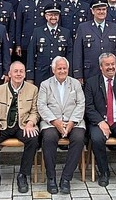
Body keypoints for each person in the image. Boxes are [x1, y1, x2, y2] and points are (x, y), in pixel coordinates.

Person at [0, 62, 41, 194]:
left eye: (21, 71)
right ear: (9, 74)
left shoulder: (33, 89)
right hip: (3, 125)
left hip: (23, 125)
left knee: (33, 139)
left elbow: (35, 111)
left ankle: (23, 175)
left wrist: (30, 123)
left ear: (25, 74)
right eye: (15, 71)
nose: (18, 74)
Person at [84, 52, 116, 191]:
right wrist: (100, 122)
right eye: (107, 65)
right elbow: (88, 107)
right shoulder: (91, 82)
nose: (111, 67)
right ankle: (104, 172)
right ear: (101, 67)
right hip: (100, 120)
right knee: (96, 138)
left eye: (113, 64)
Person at [37, 57, 87, 194]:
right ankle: (51, 178)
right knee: (49, 138)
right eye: (59, 68)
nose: (62, 70)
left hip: (73, 121)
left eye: (64, 68)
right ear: (53, 70)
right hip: (51, 122)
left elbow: (81, 103)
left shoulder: (76, 83)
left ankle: (66, 178)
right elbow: (41, 105)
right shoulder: (45, 84)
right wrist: (55, 121)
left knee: (78, 138)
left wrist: (71, 122)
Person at [72, 0, 116, 80]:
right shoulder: (83, 28)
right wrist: (78, 75)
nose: (101, 12)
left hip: (110, 74)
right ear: (92, 11)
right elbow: (78, 53)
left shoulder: (115, 28)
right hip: (90, 73)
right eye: (98, 9)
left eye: (104, 9)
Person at [26, 2, 72, 85]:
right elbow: (31, 55)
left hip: (60, 75)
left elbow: (69, 55)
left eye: (56, 15)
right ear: (46, 16)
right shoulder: (37, 32)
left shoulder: (66, 32)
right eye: (50, 15)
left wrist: (70, 75)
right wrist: (30, 77)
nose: (53, 17)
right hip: (41, 74)